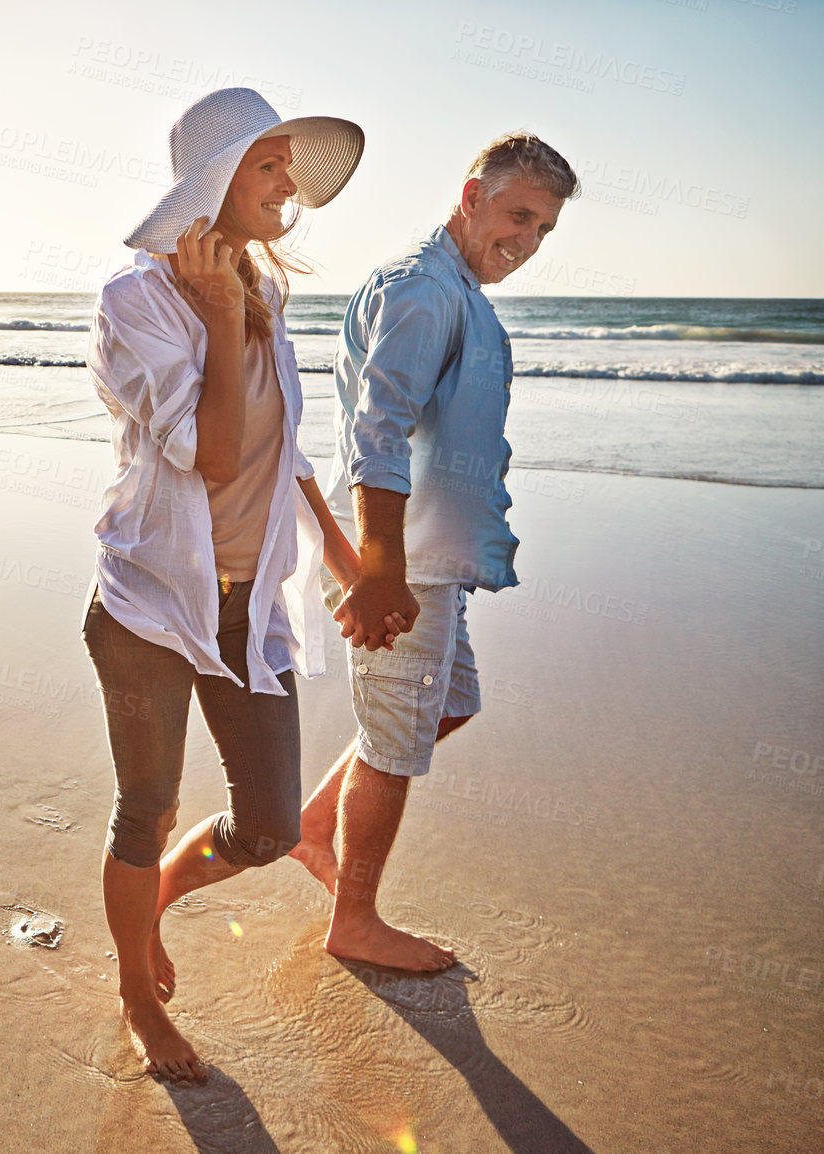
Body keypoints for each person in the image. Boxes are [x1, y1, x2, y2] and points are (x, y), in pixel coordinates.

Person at [82, 87, 392, 1083]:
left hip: (245, 601)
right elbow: (212, 456)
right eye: (267, 162)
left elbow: (280, 445)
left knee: (266, 824)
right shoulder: (135, 302)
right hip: (148, 607)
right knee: (148, 806)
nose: (286, 182)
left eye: (285, 164)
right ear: (213, 181)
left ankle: (153, 902)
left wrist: (347, 556)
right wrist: (217, 314)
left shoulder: (257, 288)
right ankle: (137, 991)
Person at [288, 132, 582, 972]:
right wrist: (378, 573)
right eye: (518, 215)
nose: (525, 242)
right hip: (403, 570)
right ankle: (356, 921)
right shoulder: (423, 288)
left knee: (446, 709)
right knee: (392, 748)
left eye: (543, 230)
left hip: (434, 568)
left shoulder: (460, 291)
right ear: (470, 196)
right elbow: (376, 432)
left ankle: (314, 824)